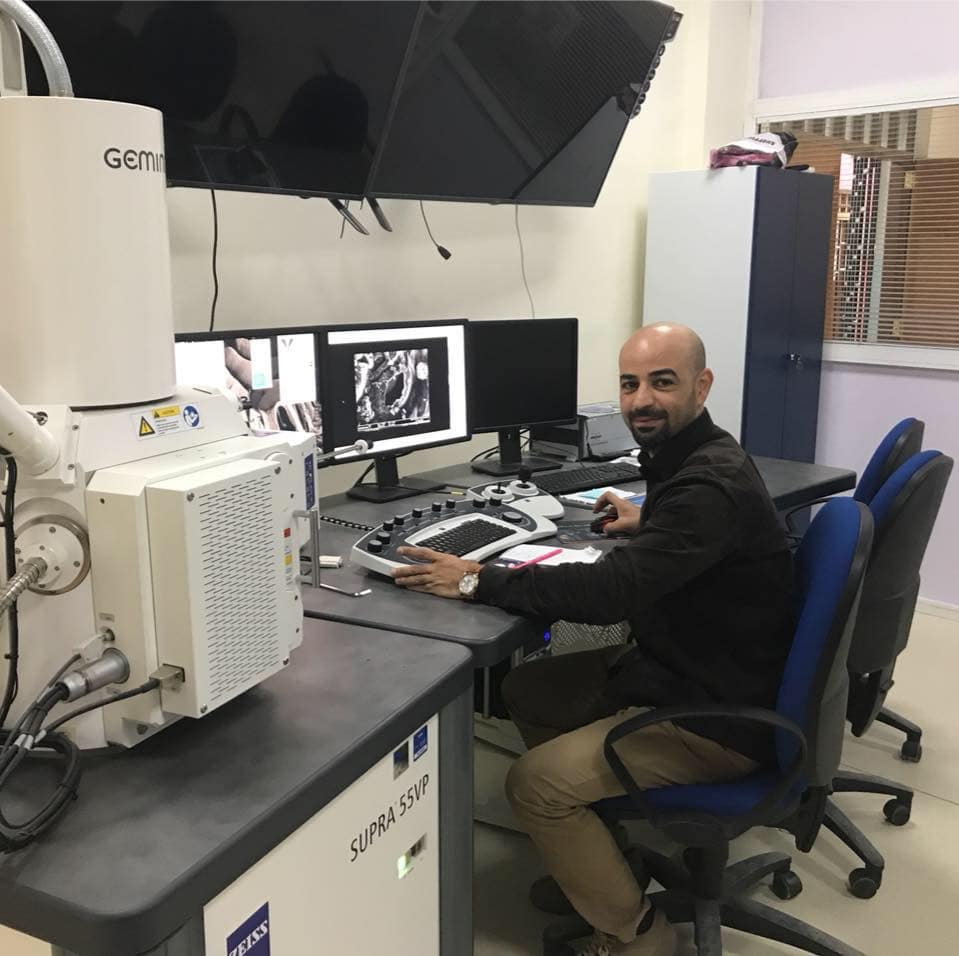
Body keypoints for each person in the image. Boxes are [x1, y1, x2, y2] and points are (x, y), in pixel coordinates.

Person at [393, 323, 795, 956]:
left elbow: (609, 594)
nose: (641, 400)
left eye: (662, 382)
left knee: (533, 784)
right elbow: (692, 537)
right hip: (697, 665)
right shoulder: (701, 457)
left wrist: (477, 579)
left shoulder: (706, 487)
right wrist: (653, 522)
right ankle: (604, 861)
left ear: (702, 385)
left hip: (716, 714)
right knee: (529, 688)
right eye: (630, 384)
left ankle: (638, 936)